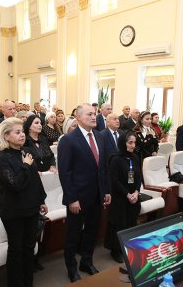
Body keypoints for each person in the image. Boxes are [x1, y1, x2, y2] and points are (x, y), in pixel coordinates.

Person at [57, 103, 111, 283]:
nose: (93, 116)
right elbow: (65, 173)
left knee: (92, 232)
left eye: (94, 114)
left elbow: (103, 167)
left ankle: (86, 262)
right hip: (77, 198)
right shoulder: (68, 139)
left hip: (96, 195)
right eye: (89, 114)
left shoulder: (99, 137)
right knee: (73, 235)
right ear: (78, 117)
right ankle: (71, 268)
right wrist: (71, 199)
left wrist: (106, 190)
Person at [0, 117, 48, 287]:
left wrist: (41, 200)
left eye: (22, 132)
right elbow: (15, 185)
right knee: (16, 250)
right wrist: (25, 165)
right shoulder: (2, 158)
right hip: (14, 211)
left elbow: (35, 180)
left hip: (31, 208)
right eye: (17, 132)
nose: (22, 135)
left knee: (29, 247)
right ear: (6, 136)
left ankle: (28, 282)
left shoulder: (27, 151)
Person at [104, 131, 141, 263]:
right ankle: (116, 250)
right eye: (130, 142)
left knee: (131, 222)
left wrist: (136, 192)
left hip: (133, 197)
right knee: (119, 224)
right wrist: (127, 194)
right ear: (122, 143)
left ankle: (127, 247)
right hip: (120, 197)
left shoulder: (135, 157)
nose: (133, 145)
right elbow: (114, 180)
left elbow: (138, 177)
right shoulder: (115, 159)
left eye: (134, 142)